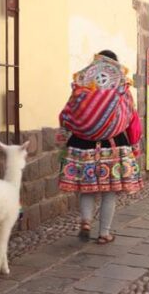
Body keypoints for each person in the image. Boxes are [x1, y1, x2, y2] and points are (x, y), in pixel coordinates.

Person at [58, 50, 143, 245]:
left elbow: (68, 114)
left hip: (82, 145)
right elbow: (131, 119)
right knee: (109, 192)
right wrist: (134, 144)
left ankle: (86, 221)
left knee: (87, 189)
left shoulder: (82, 87)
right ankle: (104, 233)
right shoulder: (122, 90)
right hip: (113, 147)